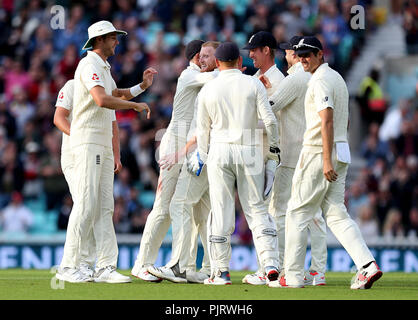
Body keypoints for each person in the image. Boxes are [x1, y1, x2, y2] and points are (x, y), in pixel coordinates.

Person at [274, 36, 382, 289]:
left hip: (318, 153)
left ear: (320, 54)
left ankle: (292, 276)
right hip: (340, 150)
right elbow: (339, 122)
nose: (302, 59)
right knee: (336, 215)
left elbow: (327, 120)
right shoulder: (336, 77)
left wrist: (325, 160)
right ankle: (367, 265)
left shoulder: (321, 80)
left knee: (297, 213)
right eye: (299, 55)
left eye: (307, 54)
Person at [57, 20, 152, 283]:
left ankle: (105, 267)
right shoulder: (89, 65)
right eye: (113, 38)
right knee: (86, 204)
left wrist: (141, 87)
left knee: (104, 207)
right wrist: (133, 107)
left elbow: (115, 92)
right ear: (100, 40)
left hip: (99, 143)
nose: (117, 42)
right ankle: (68, 266)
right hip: (87, 141)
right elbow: (101, 99)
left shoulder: (103, 68)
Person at [193, 41, 281, 285]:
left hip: (220, 151)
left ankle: (220, 272)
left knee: (220, 210)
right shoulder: (253, 83)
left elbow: (203, 131)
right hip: (250, 150)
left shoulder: (208, 89)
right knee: (257, 209)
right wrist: (273, 153)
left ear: (218, 63)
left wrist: (204, 156)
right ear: (239, 62)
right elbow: (271, 122)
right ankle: (270, 265)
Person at [130, 39, 218, 282]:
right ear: (197, 58)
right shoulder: (190, 75)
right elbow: (221, 79)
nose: (207, 61)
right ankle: (142, 264)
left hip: (193, 147)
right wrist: (235, 71)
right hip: (175, 145)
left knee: (198, 208)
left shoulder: (204, 77)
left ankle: (192, 266)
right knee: (164, 206)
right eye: (206, 56)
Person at [253, 35, 328, 287]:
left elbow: (270, 107)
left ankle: (284, 268)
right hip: (309, 152)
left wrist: (259, 94)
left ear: (295, 55)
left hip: (290, 155)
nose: (284, 56)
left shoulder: (295, 78)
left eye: (287, 52)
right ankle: (317, 271)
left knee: (279, 211)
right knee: (314, 213)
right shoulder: (314, 79)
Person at [240, 31, 286, 285]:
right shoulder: (257, 78)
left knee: (270, 212)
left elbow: (271, 119)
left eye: (254, 50)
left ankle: (273, 267)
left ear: (267, 50)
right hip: (256, 153)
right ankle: (271, 267)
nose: (250, 55)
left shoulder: (278, 80)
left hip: (269, 155)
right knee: (263, 212)